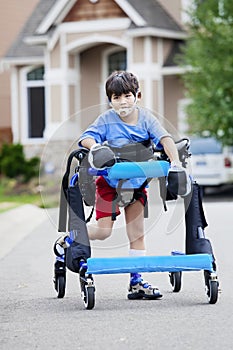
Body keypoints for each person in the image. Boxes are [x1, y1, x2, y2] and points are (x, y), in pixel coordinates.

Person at [77, 70, 188, 300]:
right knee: (103, 232)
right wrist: (95, 147)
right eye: (116, 97)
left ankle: (136, 282)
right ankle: (73, 235)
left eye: (127, 95)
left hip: (136, 184)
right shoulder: (107, 119)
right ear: (110, 100)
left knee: (136, 234)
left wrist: (175, 162)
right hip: (110, 183)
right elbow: (86, 137)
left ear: (138, 96)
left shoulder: (146, 118)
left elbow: (165, 139)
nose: (122, 102)